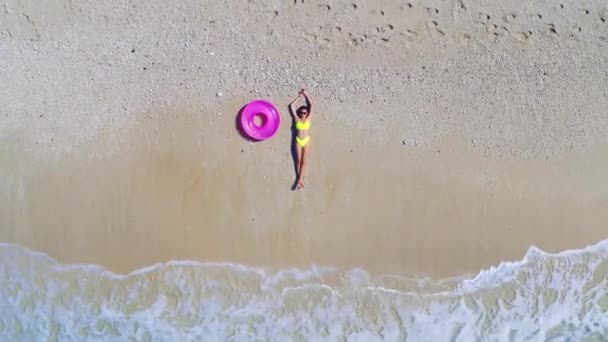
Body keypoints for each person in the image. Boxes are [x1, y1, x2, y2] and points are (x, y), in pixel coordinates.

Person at [289, 89, 313, 189]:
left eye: (305, 112)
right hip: (298, 141)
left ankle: (298, 181)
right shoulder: (296, 119)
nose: (303, 114)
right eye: (302, 112)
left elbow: (312, 106)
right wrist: (299, 98)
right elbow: (291, 106)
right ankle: (300, 180)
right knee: (298, 161)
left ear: (307, 113)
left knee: (304, 162)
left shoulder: (308, 119)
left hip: (306, 141)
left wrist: (306, 95)